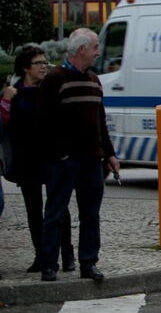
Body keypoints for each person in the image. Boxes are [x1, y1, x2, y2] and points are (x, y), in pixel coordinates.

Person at [38, 28, 119, 283]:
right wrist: (58, 154)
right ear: (82, 49)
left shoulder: (94, 81)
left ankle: (88, 262)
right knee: (55, 212)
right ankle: (49, 265)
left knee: (90, 214)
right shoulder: (55, 79)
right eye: (95, 47)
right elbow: (43, 121)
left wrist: (110, 154)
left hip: (91, 159)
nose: (97, 52)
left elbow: (100, 121)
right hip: (64, 161)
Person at [1, 46, 75, 274]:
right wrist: (5, 101)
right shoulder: (13, 92)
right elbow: (4, 125)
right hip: (25, 159)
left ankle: (67, 254)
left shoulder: (50, 89)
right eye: (39, 63)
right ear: (25, 68)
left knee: (58, 208)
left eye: (45, 62)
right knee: (33, 210)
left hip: (51, 156)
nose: (44, 66)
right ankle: (41, 256)